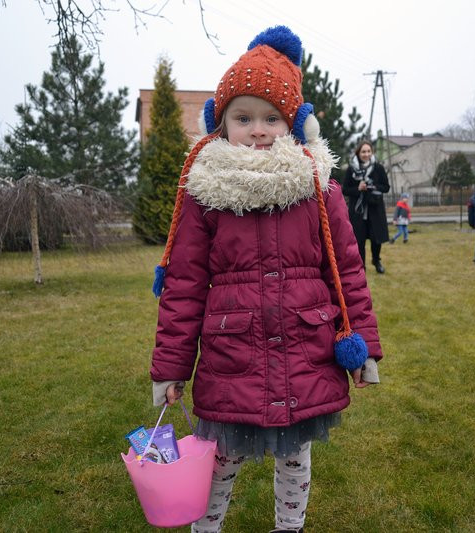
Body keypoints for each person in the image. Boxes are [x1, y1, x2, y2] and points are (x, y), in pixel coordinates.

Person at [148, 26, 383, 533]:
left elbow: (347, 272)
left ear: (294, 124)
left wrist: (365, 350)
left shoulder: (319, 189)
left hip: (306, 350)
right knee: (222, 457)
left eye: (271, 118)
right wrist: (171, 367)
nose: (257, 129)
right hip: (233, 357)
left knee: (294, 456)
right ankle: (205, 527)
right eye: (243, 117)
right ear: (221, 122)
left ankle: (289, 526)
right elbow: (185, 285)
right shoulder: (204, 192)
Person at [342, 140, 391, 273]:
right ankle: (360, 266)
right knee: (359, 240)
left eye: (369, 151)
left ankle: (376, 261)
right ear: (358, 153)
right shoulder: (352, 169)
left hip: (375, 209)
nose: (366, 154)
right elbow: (345, 189)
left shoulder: (378, 168)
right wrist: (358, 188)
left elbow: (386, 187)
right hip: (358, 211)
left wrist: (373, 186)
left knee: (376, 239)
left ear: (372, 152)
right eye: (363, 151)